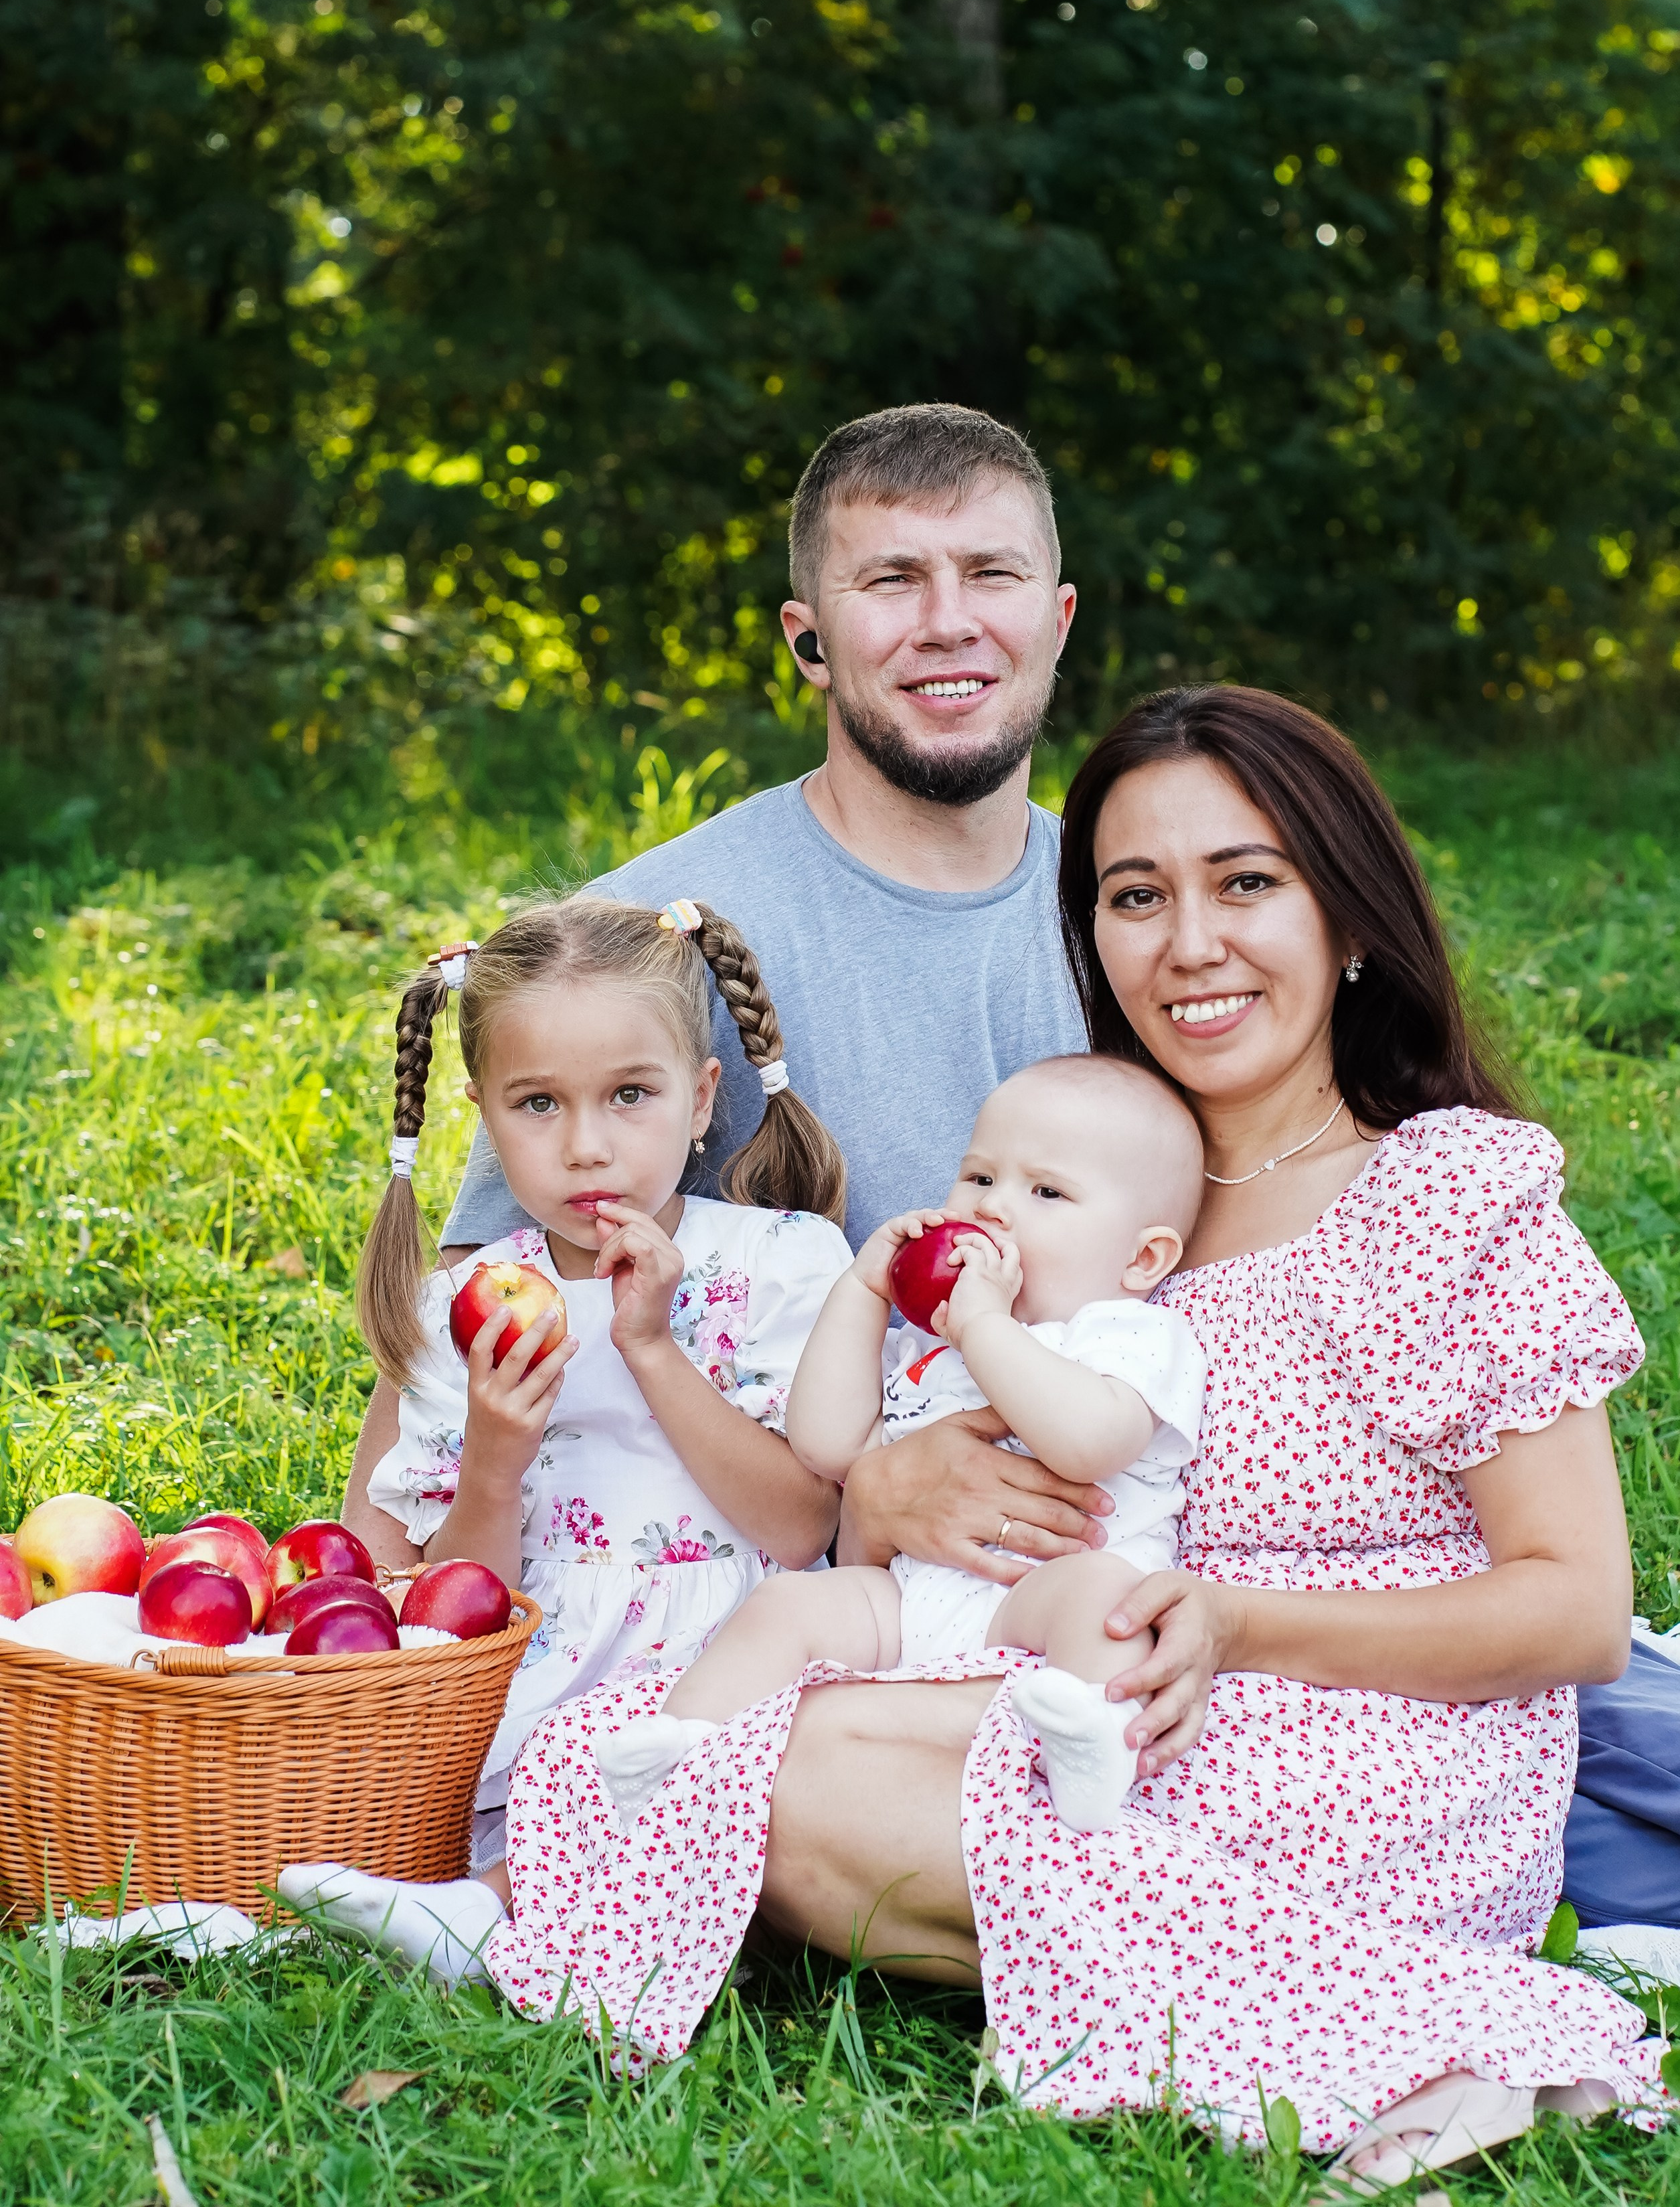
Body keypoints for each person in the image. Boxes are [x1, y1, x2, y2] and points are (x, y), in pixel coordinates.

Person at [420, 685, 1665, 2178]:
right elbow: (908, 1461)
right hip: (1080, 1694)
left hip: (1365, 1753)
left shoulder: (1438, 1194)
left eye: (1246, 882)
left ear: (1347, 919)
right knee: (725, 1744)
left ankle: (1434, 2015)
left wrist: (1228, 1622)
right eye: (1135, 895)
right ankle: (1273, 2006)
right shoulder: (1084, 1177)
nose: (1188, 942)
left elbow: (1577, 1606)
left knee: (778, 1778)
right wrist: (888, 1484)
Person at [339, 401, 1102, 1587]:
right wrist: (379, 1641)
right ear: (808, 640)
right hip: (782, 1598)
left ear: (1056, 618)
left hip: (1100, 1542)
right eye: (891, 580)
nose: (949, 621)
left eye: (990, 573)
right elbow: (479, 1318)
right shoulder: (650, 938)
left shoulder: (1143, 916)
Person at [280, 890, 852, 1966]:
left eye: (629, 1094)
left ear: (700, 1100)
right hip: (541, 1648)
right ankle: (455, 1902)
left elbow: (799, 1522)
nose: (587, 1148)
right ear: (484, 1114)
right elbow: (452, 1604)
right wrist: (494, 1457)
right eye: (537, 1105)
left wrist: (652, 1349)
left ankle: (481, 1911)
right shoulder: (468, 1306)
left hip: (728, 1642)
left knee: (684, 1753)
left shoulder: (782, 1264)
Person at [595, 1056, 1206, 1835]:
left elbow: (1088, 1442)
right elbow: (829, 1444)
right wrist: (864, 1291)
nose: (994, 1211)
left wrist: (984, 1326)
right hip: (913, 1603)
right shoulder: (930, 1344)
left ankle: (1093, 1743)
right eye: (979, 1178)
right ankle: (682, 1749)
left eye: (1045, 1192)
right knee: (788, 1600)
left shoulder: (1126, 1333)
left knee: (1105, 1600)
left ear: (1142, 1258)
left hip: (1043, 1604)